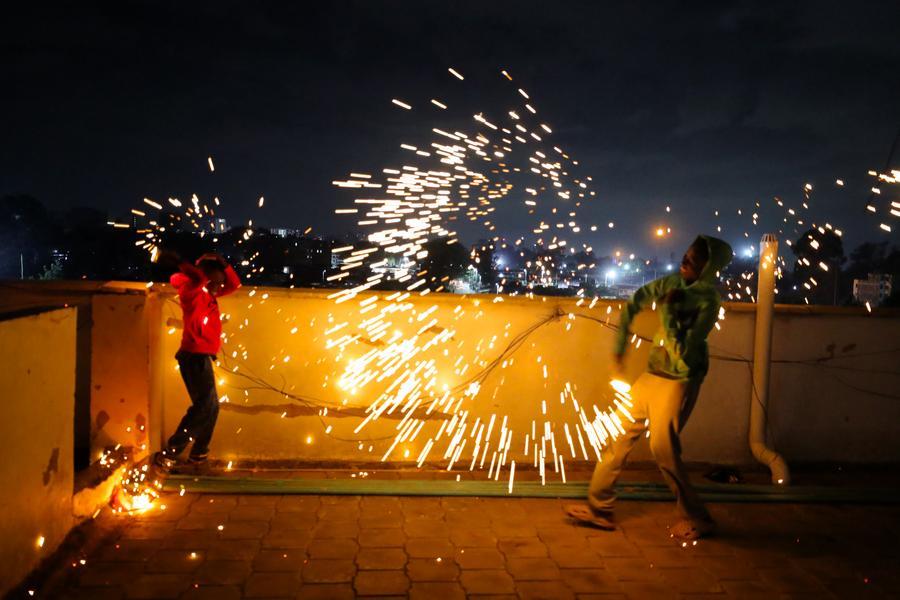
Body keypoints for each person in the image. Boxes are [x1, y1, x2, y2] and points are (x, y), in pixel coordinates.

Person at [566, 235, 733, 540]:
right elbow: (634, 303)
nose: (685, 260)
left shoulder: (709, 301)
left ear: (708, 268)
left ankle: (698, 518)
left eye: (694, 259)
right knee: (618, 435)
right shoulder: (672, 283)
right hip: (653, 374)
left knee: (663, 449)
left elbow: (683, 350)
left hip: (679, 379)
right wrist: (619, 350)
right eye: (686, 254)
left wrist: (669, 313)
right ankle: (600, 509)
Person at [153, 251, 240, 471]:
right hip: (194, 356)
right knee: (204, 407)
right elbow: (199, 278)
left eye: (220, 283)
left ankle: (198, 454)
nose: (219, 287)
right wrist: (181, 261)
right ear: (205, 277)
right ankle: (169, 454)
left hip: (201, 356)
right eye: (215, 282)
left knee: (211, 408)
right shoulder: (192, 292)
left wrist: (224, 264)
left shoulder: (209, 294)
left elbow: (235, 285)